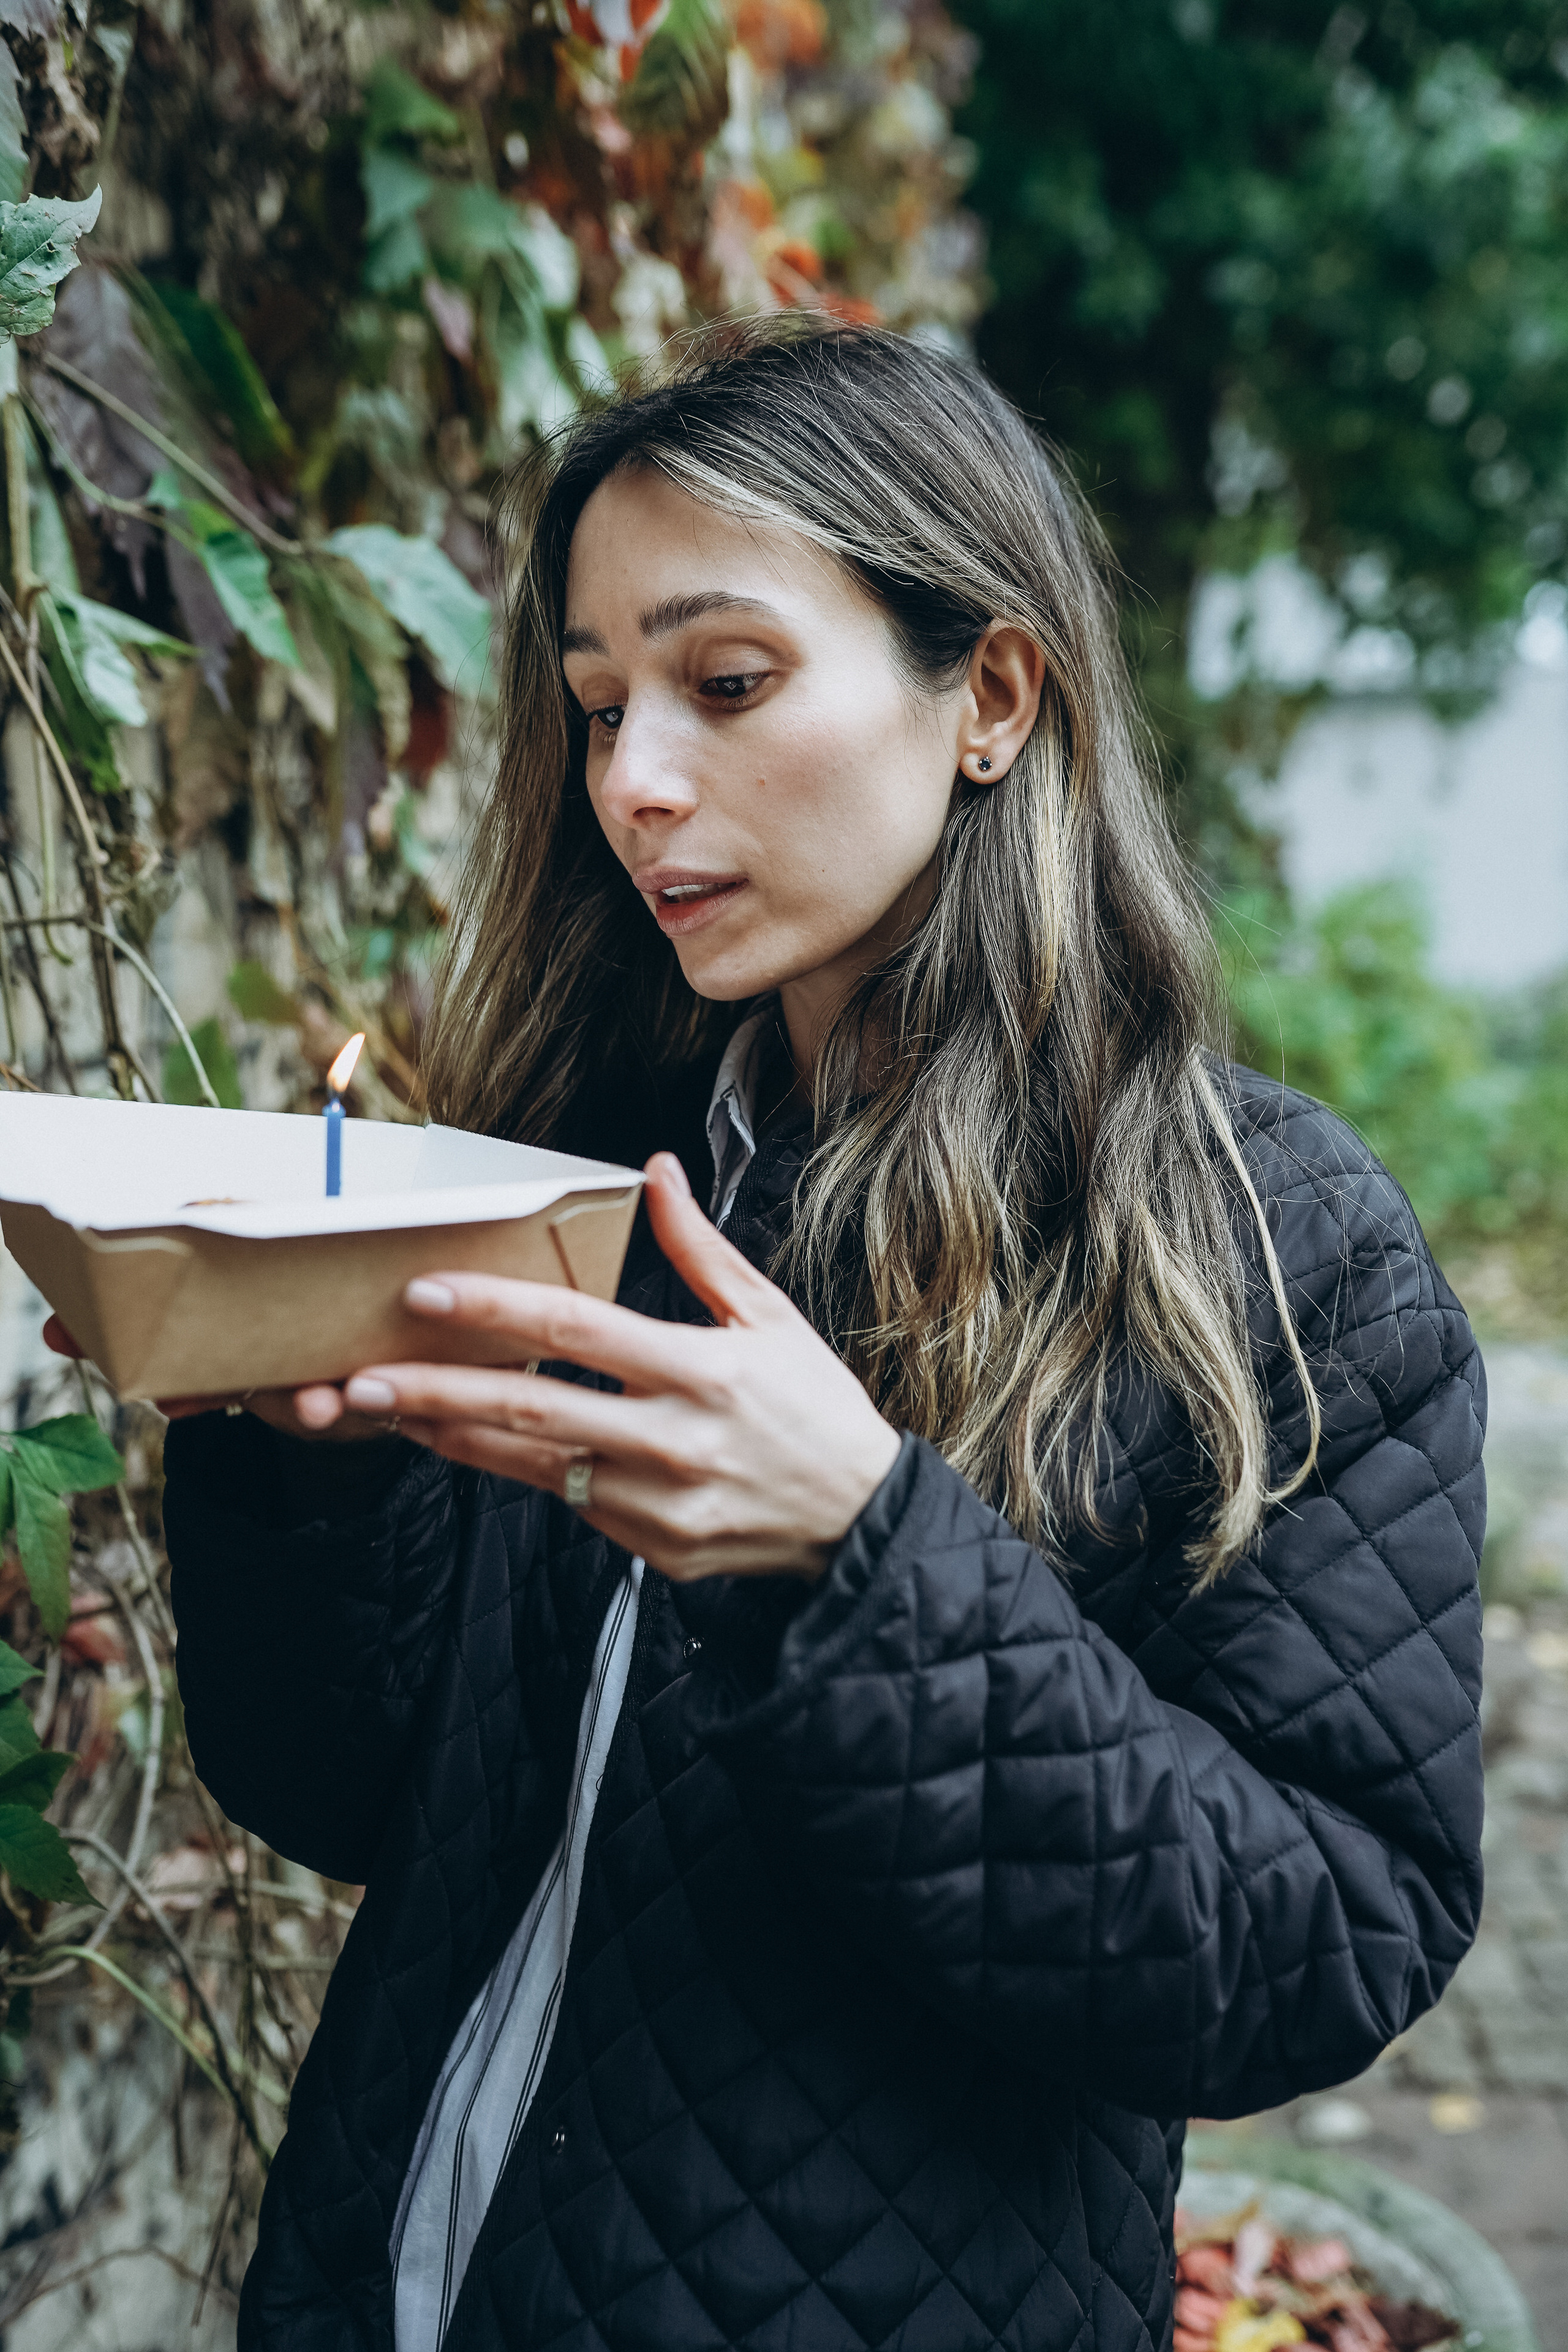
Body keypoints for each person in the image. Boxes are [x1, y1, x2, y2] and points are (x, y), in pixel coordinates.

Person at [150, 322, 1485, 2352]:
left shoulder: (1269, 1253)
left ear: (992, 697)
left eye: (727, 682)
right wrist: (307, 1468)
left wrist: (862, 1559)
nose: (632, 782)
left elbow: (1313, 1952)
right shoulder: (580, 1168)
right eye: (597, 707)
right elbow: (351, 1798)